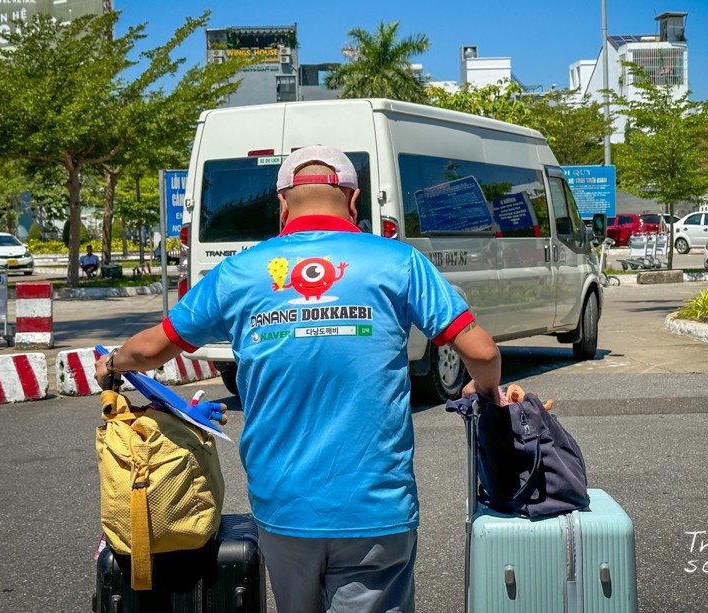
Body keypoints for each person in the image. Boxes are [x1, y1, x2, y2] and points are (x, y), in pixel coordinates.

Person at [95, 145, 504, 613]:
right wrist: (485, 389)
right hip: (376, 508)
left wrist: (113, 364)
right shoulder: (397, 261)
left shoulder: (240, 271)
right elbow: (482, 351)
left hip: (283, 506)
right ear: (353, 201)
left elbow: (150, 349)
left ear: (283, 204)